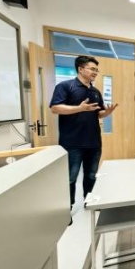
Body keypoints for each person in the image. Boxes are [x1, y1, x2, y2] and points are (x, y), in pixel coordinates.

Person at [50, 56, 118, 214]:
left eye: (97, 70)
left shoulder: (95, 92)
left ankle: (90, 202)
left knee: (91, 175)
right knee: (70, 177)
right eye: (92, 69)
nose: (95, 72)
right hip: (72, 143)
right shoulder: (65, 86)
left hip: (93, 142)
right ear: (80, 69)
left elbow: (97, 114)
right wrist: (79, 108)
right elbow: (55, 108)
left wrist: (107, 112)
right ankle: (66, 210)